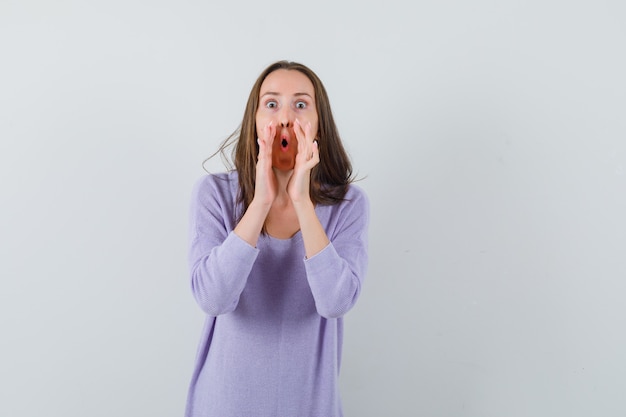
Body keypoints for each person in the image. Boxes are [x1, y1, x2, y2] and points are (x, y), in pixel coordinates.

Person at [185, 60, 369, 417]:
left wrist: (302, 201)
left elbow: (335, 302)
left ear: (319, 124)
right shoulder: (214, 195)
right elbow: (213, 298)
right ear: (255, 121)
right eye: (272, 104)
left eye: (300, 105)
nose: (285, 117)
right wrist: (261, 202)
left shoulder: (349, 205)